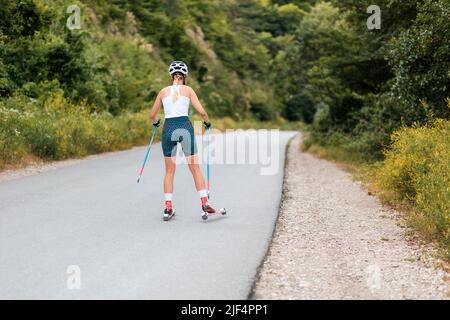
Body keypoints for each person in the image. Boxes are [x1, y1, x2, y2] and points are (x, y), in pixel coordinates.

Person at [150, 61, 215, 221]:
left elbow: (152, 115)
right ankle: (204, 203)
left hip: (169, 129)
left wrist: (156, 123)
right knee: (195, 169)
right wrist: (207, 123)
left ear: (171, 76)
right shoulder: (188, 90)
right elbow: (202, 112)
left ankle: (168, 208)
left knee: (169, 171)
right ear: (184, 76)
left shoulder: (163, 91)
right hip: (184, 128)